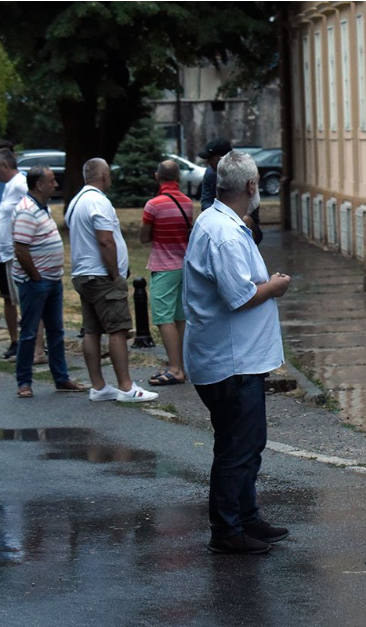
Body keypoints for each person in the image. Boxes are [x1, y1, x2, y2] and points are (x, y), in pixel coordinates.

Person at [183, 150, 292, 554]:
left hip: (237, 358)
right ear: (250, 186)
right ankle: (227, 530)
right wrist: (275, 286)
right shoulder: (224, 233)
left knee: (248, 444)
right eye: (257, 181)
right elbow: (239, 296)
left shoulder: (220, 223)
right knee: (236, 449)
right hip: (232, 362)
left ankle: (247, 517)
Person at [66, 158, 159, 403]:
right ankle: (126, 387)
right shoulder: (98, 201)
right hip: (101, 275)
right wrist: (115, 274)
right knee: (118, 329)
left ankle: (98, 386)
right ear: (104, 176)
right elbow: (105, 240)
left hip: (82, 274)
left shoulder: (76, 202)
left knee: (92, 330)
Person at [11, 166, 88, 397]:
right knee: (29, 332)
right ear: (39, 185)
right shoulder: (26, 211)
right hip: (36, 282)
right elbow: (20, 249)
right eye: (52, 181)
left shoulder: (41, 208)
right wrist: (35, 276)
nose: (56, 184)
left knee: (56, 331)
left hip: (51, 280)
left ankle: (61, 378)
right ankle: (24, 382)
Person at [140, 160, 194, 386]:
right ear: (178, 179)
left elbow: (144, 237)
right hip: (184, 265)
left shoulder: (153, 205)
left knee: (163, 317)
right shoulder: (188, 202)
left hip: (163, 266)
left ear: (157, 177)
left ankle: (174, 369)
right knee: (180, 317)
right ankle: (180, 365)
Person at [0, 149, 26, 360]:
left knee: (23, 297)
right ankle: (16, 341)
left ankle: (32, 342)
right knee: (8, 298)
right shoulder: (9, 186)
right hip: (4, 252)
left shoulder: (20, 183)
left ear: (5, 166)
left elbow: (35, 206)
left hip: (14, 251)